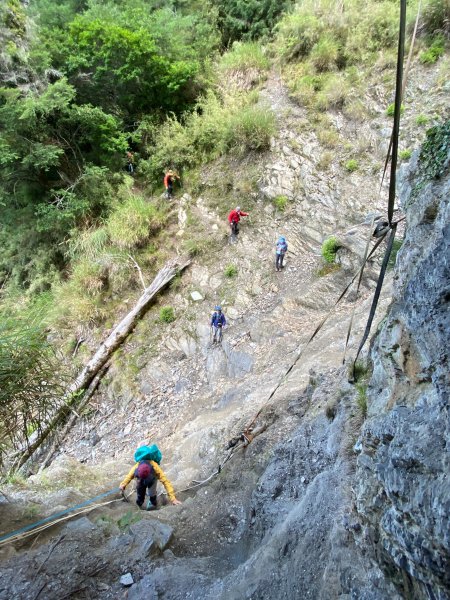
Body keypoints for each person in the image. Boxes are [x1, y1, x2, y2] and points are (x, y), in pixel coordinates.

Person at [120, 444, 182, 510]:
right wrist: (123, 484)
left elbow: (166, 482)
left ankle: (153, 502)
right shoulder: (136, 467)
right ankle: (139, 505)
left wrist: (173, 499)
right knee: (140, 495)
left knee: (152, 494)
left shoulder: (155, 467)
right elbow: (128, 477)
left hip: (152, 480)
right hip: (140, 481)